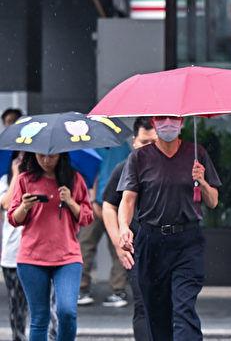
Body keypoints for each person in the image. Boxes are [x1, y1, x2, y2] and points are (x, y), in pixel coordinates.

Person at [117, 116, 221, 341]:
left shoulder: (197, 154)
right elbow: (127, 200)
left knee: (183, 308)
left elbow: (213, 201)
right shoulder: (139, 158)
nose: (168, 123)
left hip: (187, 240)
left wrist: (202, 181)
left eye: (173, 118)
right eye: (162, 119)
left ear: (182, 121)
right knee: (157, 313)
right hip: (150, 240)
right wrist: (124, 228)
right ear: (154, 122)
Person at [7, 152, 94, 340]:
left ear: (61, 155)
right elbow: (13, 219)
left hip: (68, 257)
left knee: (67, 312)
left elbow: (87, 218)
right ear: (34, 155)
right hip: (32, 257)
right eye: (41, 156)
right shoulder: (25, 179)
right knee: (39, 318)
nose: (46, 161)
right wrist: (24, 206)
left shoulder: (74, 179)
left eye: (52, 156)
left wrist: (70, 201)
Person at [101, 117, 157, 341]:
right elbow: (108, 206)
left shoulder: (171, 169)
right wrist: (118, 244)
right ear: (134, 141)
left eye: (154, 142)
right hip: (136, 247)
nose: (148, 149)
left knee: (169, 303)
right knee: (143, 304)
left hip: (169, 245)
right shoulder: (124, 168)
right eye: (144, 143)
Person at [1, 150, 59, 341]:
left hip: (43, 252)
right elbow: (7, 204)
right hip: (12, 253)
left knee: (47, 306)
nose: (23, 160)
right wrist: (17, 175)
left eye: (27, 157)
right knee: (17, 306)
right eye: (18, 157)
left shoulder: (50, 180)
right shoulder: (5, 181)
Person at [77, 140, 131, 307]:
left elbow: (92, 174)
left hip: (98, 202)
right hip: (118, 202)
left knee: (85, 246)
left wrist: (93, 201)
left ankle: (82, 290)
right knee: (119, 248)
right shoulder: (125, 147)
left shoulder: (94, 146)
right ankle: (118, 291)